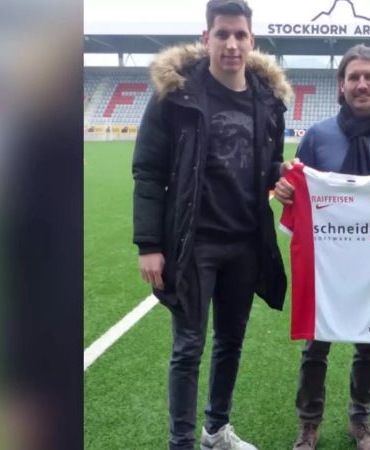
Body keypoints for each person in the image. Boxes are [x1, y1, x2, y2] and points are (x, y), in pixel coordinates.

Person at [131, 1, 291, 449]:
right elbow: (148, 170)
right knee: (188, 348)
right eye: (222, 34)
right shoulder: (177, 94)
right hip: (192, 243)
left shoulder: (268, 100)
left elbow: (269, 163)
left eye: (240, 35)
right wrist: (148, 243)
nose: (232, 44)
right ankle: (180, 442)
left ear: (252, 41)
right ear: (206, 39)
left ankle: (216, 431)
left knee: (230, 343)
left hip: (245, 242)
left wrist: (282, 178)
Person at [274, 44, 370, 450]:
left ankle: (360, 419)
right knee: (315, 346)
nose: (362, 84)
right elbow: (296, 191)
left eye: (369, 76)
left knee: (369, 348)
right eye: (353, 77)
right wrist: (286, 192)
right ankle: (309, 421)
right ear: (341, 85)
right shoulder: (317, 137)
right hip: (325, 264)